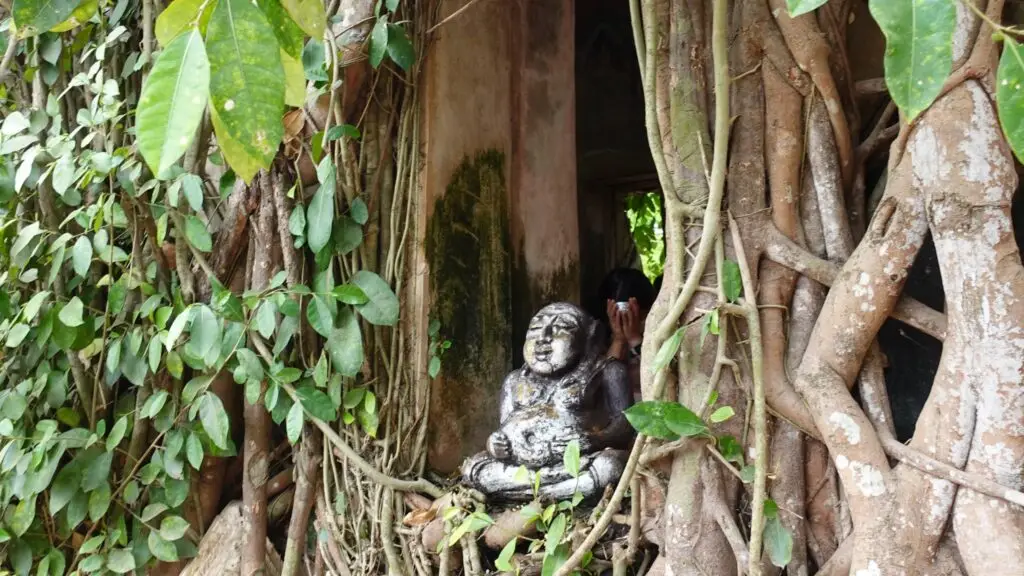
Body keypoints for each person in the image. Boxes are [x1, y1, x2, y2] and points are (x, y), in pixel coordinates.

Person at [590, 268, 656, 400]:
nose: (626, 321)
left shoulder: (656, 331)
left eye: (635, 316)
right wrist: (618, 340)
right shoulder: (596, 336)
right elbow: (600, 384)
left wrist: (635, 339)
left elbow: (657, 373)